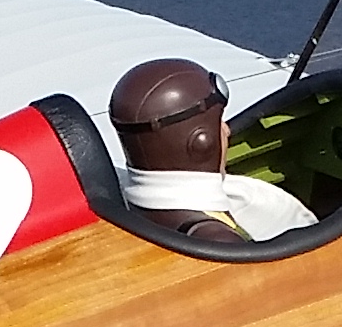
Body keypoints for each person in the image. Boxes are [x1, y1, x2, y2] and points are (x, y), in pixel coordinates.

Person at [106, 58, 314, 244]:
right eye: (218, 123)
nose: (227, 130)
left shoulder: (113, 200)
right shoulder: (219, 239)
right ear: (201, 142)